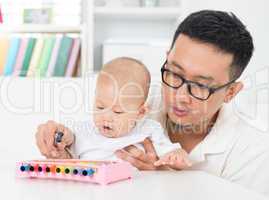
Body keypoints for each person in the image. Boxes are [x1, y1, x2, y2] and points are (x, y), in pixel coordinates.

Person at [36, 10, 269, 196]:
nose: (179, 96)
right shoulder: (135, 100)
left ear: (230, 92)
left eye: (201, 86)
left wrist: (166, 179)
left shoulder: (253, 154)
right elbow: (83, 145)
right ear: (167, 58)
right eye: (175, 74)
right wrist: (60, 143)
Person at [36, 57, 191, 169]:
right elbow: (69, 158)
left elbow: (168, 151)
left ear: (140, 112)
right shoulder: (85, 130)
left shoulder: (149, 129)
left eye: (118, 112)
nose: (106, 117)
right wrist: (60, 147)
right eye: (100, 107)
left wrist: (176, 154)